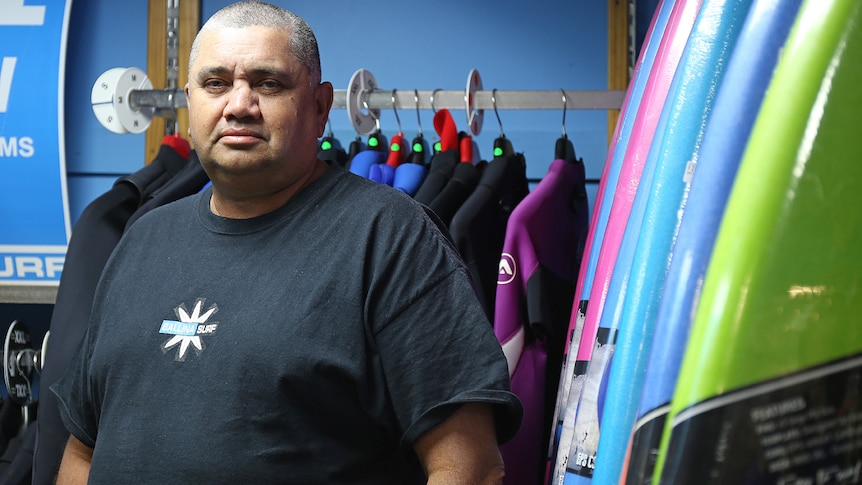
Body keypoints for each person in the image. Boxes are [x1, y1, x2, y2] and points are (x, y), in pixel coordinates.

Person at [51, 1, 522, 483]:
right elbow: (84, 448)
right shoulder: (143, 239)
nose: (238, 104)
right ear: (190, 103)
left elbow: (469, 466)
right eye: (215, 84)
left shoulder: (390, 237)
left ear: (319, 106)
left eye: (268, 83)